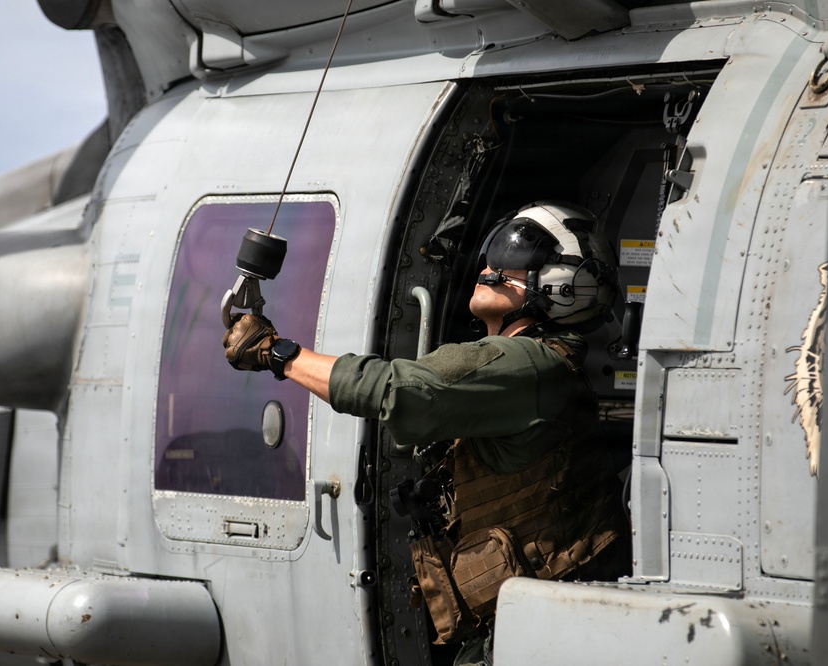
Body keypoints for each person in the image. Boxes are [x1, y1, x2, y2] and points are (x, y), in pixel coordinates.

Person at [222, 201, 630, 664]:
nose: (489, 266)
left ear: (561, 284)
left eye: (511, 255)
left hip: (537, 634)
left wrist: (277, 353)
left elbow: (395, 390)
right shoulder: (539, 364)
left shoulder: (526, 364)